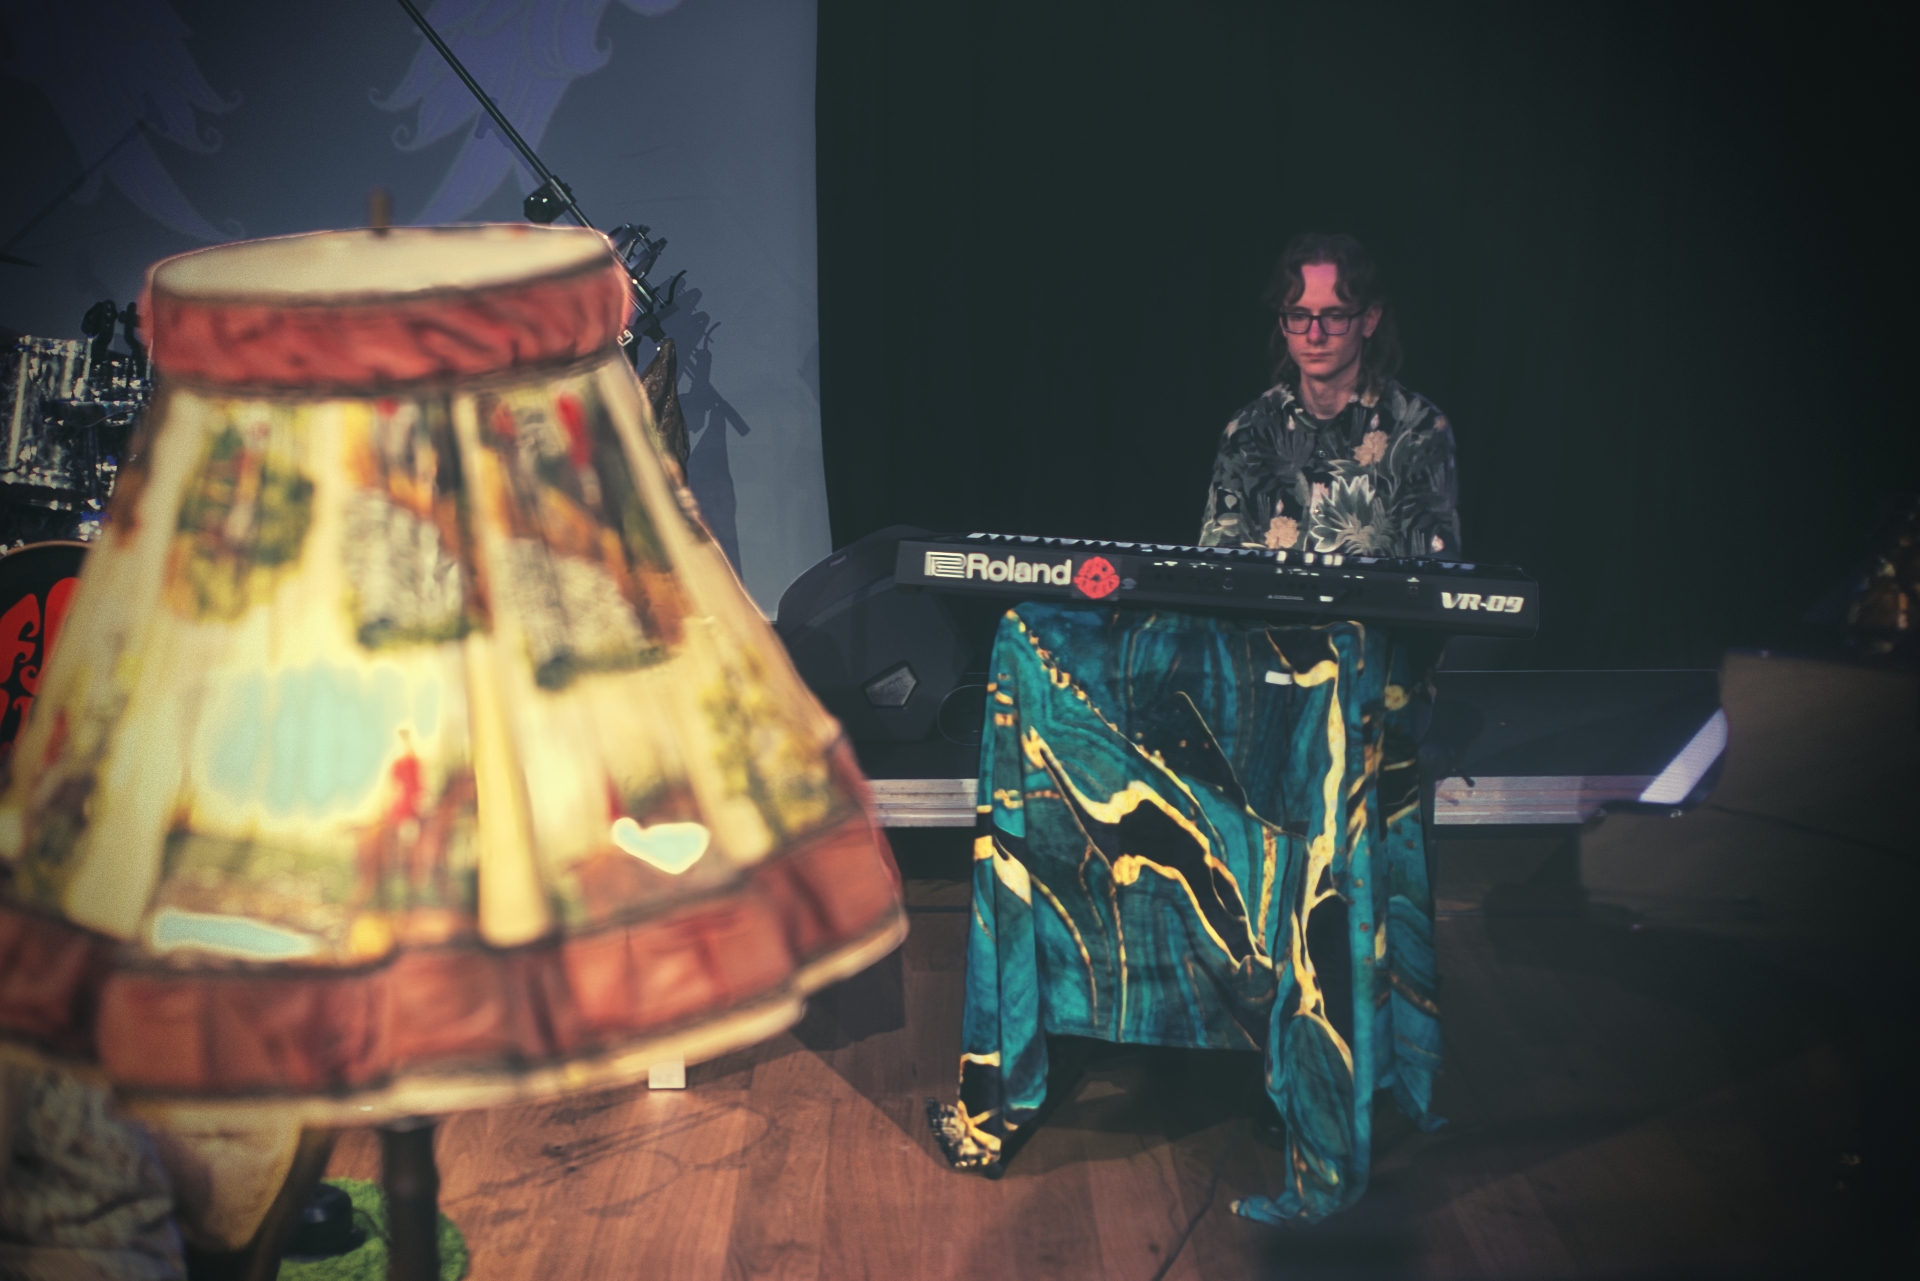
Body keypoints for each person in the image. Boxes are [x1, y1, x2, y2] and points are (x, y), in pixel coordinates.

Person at [929, 232, 1448, 1226]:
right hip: (1263, 676)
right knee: (1051, 649)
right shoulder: (1252, 430)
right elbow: (1217, 574)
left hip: (1357, 691)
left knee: (1318, 749)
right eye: (1296, 315)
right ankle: (1183, 1002)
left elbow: (1433, 586)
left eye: (1331, 315)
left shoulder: (1419, 432)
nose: (1311, 333)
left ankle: (1310, 1055)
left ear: (1370, 319)